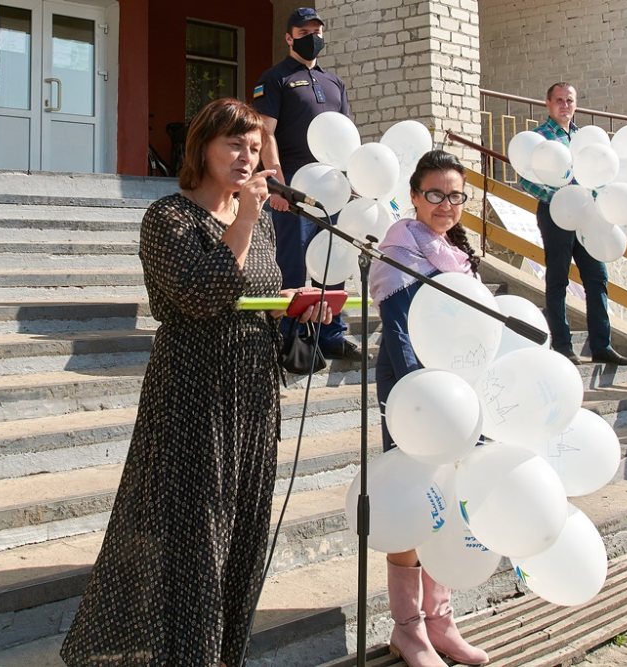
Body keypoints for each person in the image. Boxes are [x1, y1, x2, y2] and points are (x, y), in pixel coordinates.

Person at [60, 98, 332, 667]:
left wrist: (295, 302)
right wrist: (246, 220)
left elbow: (253, 292)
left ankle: (222, 651)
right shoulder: (170, 218)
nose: (247, 157)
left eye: (254, 147)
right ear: (202, 148)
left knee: (244, 525)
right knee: (195, 530)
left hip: (253, 388)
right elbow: (203, 293)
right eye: (234, 144)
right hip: (193, 388)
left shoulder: (255, 220)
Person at [369, 150, 489, 667]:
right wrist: (425, 396)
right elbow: (399, 331)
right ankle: (408, 630)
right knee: (412, 499)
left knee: (449, 498)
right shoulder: (400, 247)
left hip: (459, 389)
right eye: (435, 194)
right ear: (414, 196)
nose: (446, 204)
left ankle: (440, 621)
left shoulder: (455, 252)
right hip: (413, 391)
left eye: (455, 195)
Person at [252, 7, 361, 361]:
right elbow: (265, 133)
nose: (311, 37)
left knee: (332, 258)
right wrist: (278, 185)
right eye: (303, 32)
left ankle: (331, 334)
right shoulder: (275, 78)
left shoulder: (334, 83)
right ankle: (291, 336)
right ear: (289, 37)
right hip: (295, 188)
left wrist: (352, 182)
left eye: (316, 31)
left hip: (333, 189)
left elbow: (344, 137)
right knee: (293, 263)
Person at [519, 82, 627, 367]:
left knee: (597, 277)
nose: (564, 105)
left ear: (576, 104)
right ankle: (562, 345)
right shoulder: (539, 138)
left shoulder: (586, 138)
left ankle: (602, 345)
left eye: (569, 100)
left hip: (589, 216)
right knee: (558, 278)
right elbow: (525, 180)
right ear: (548, 104)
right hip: (556, 215)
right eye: (559, 100)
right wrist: (560, 199)